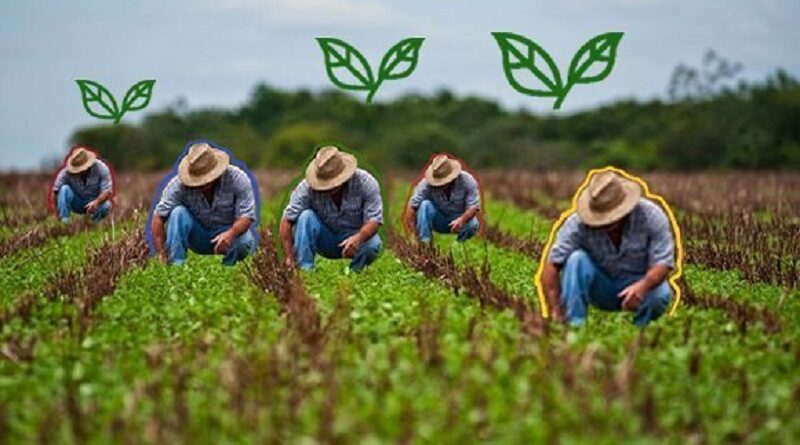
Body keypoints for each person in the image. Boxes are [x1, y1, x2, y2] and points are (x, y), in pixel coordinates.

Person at [540, 169, 675, 327]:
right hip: (601, 286)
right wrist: (555, 308)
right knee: (577, 259)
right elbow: (552, 266)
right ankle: (574, 325)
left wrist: (642, 287)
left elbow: (663, 264)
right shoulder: (576, 224)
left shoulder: (651, 216)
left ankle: (640, 332)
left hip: (639, 283)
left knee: (661, 294)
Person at [150, 142, 257, 266]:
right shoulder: (178, 185)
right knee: (178, 212)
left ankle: (227, 268)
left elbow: (246, 216)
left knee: (245, 241)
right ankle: (175, 266)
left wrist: (230, 234)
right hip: (197, 235)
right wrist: (161, 254)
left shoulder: (238, 179)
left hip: (228, 233)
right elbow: (158, 217)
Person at [280, 146, 382, 272]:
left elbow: (374, 220)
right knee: (306, 216)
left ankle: (355, 273)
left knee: (373, 244)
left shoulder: (366, 182)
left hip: (356, 237)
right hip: (325, 238)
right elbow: (287, 221)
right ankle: (305, 271)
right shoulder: (306, 188)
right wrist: (289, 257)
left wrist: (358, 238)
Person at [405, 154, 481, 243]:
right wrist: (415, 234)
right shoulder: (426, 184)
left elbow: (474, 207)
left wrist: (461, 220)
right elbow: (412, 206)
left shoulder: (467, 180)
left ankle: (459, 245)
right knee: (425, 205)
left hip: (460, 218)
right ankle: (424, 243)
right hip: (439, 219)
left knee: (473, 224)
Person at [51, 147, 113, 223]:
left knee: (106, 205)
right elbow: (55, 192)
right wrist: (56, 214)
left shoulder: (101, 168)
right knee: (64, 189)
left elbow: (107, 191)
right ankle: (65, 221)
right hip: (77, 202)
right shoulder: (65, 173)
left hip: (95, 201)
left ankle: (94, 223)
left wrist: (96, 202)